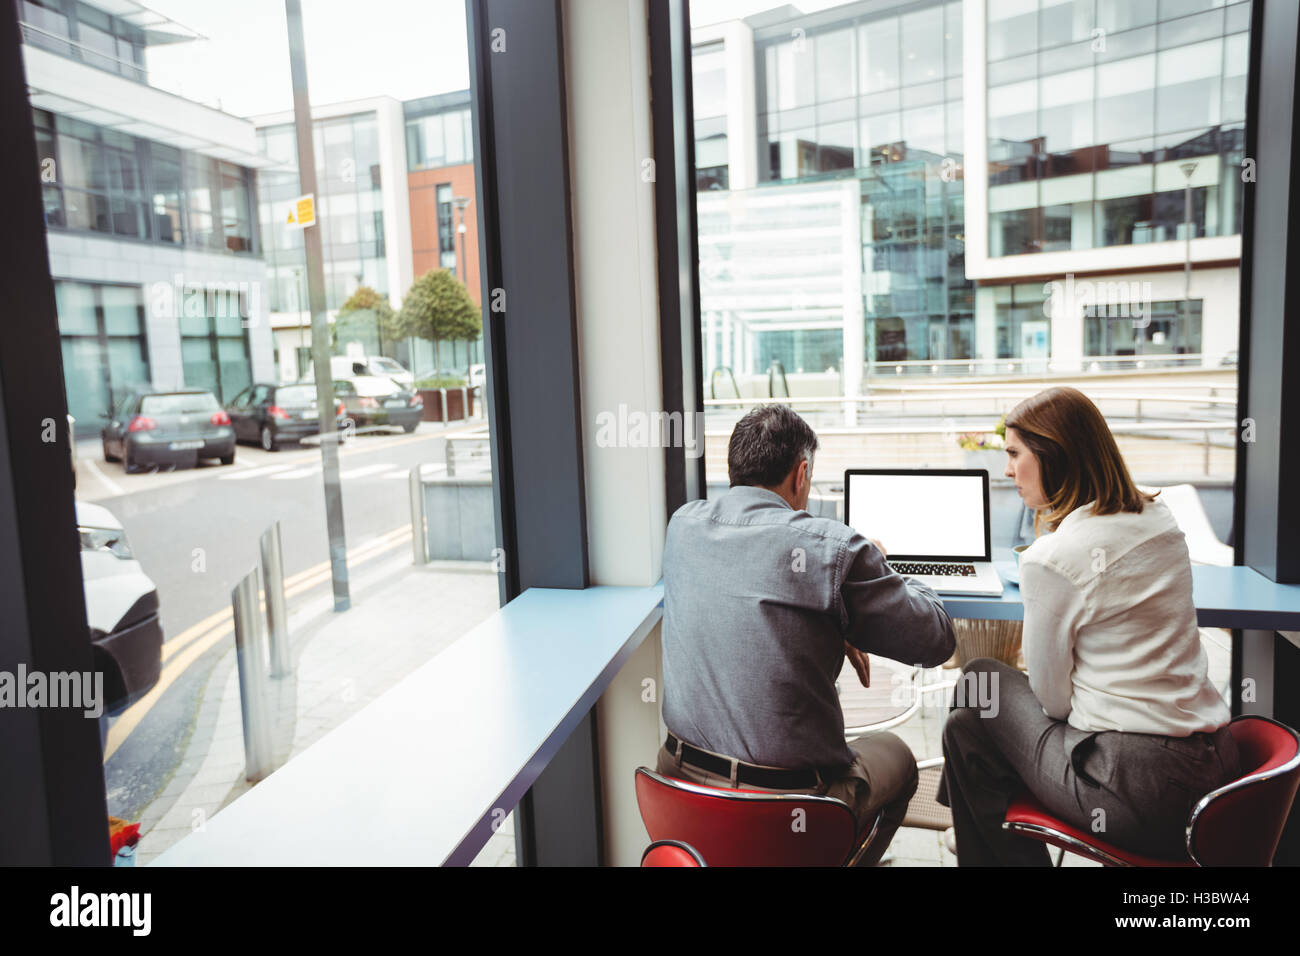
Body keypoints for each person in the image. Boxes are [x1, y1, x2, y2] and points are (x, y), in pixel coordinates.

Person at [937, 386, 1239, 865]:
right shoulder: (1160, 519)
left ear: (1053, 455)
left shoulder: (1053, 558)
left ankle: (974, 822)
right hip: (1210, 773)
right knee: (975, 709)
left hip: (1132, 794)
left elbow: (1052, 702)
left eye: (1015, 454)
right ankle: (970, 820)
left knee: (976, 687)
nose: (1008, 470)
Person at [658, 404, 956, 865]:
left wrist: (832, 622)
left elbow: (750, 596)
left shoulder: (683, 526)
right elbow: (936, 640)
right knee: (899, 758)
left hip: (681, 790)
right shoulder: (833, 549)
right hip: (794, 805)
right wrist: (881, 566)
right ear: (801, 475)